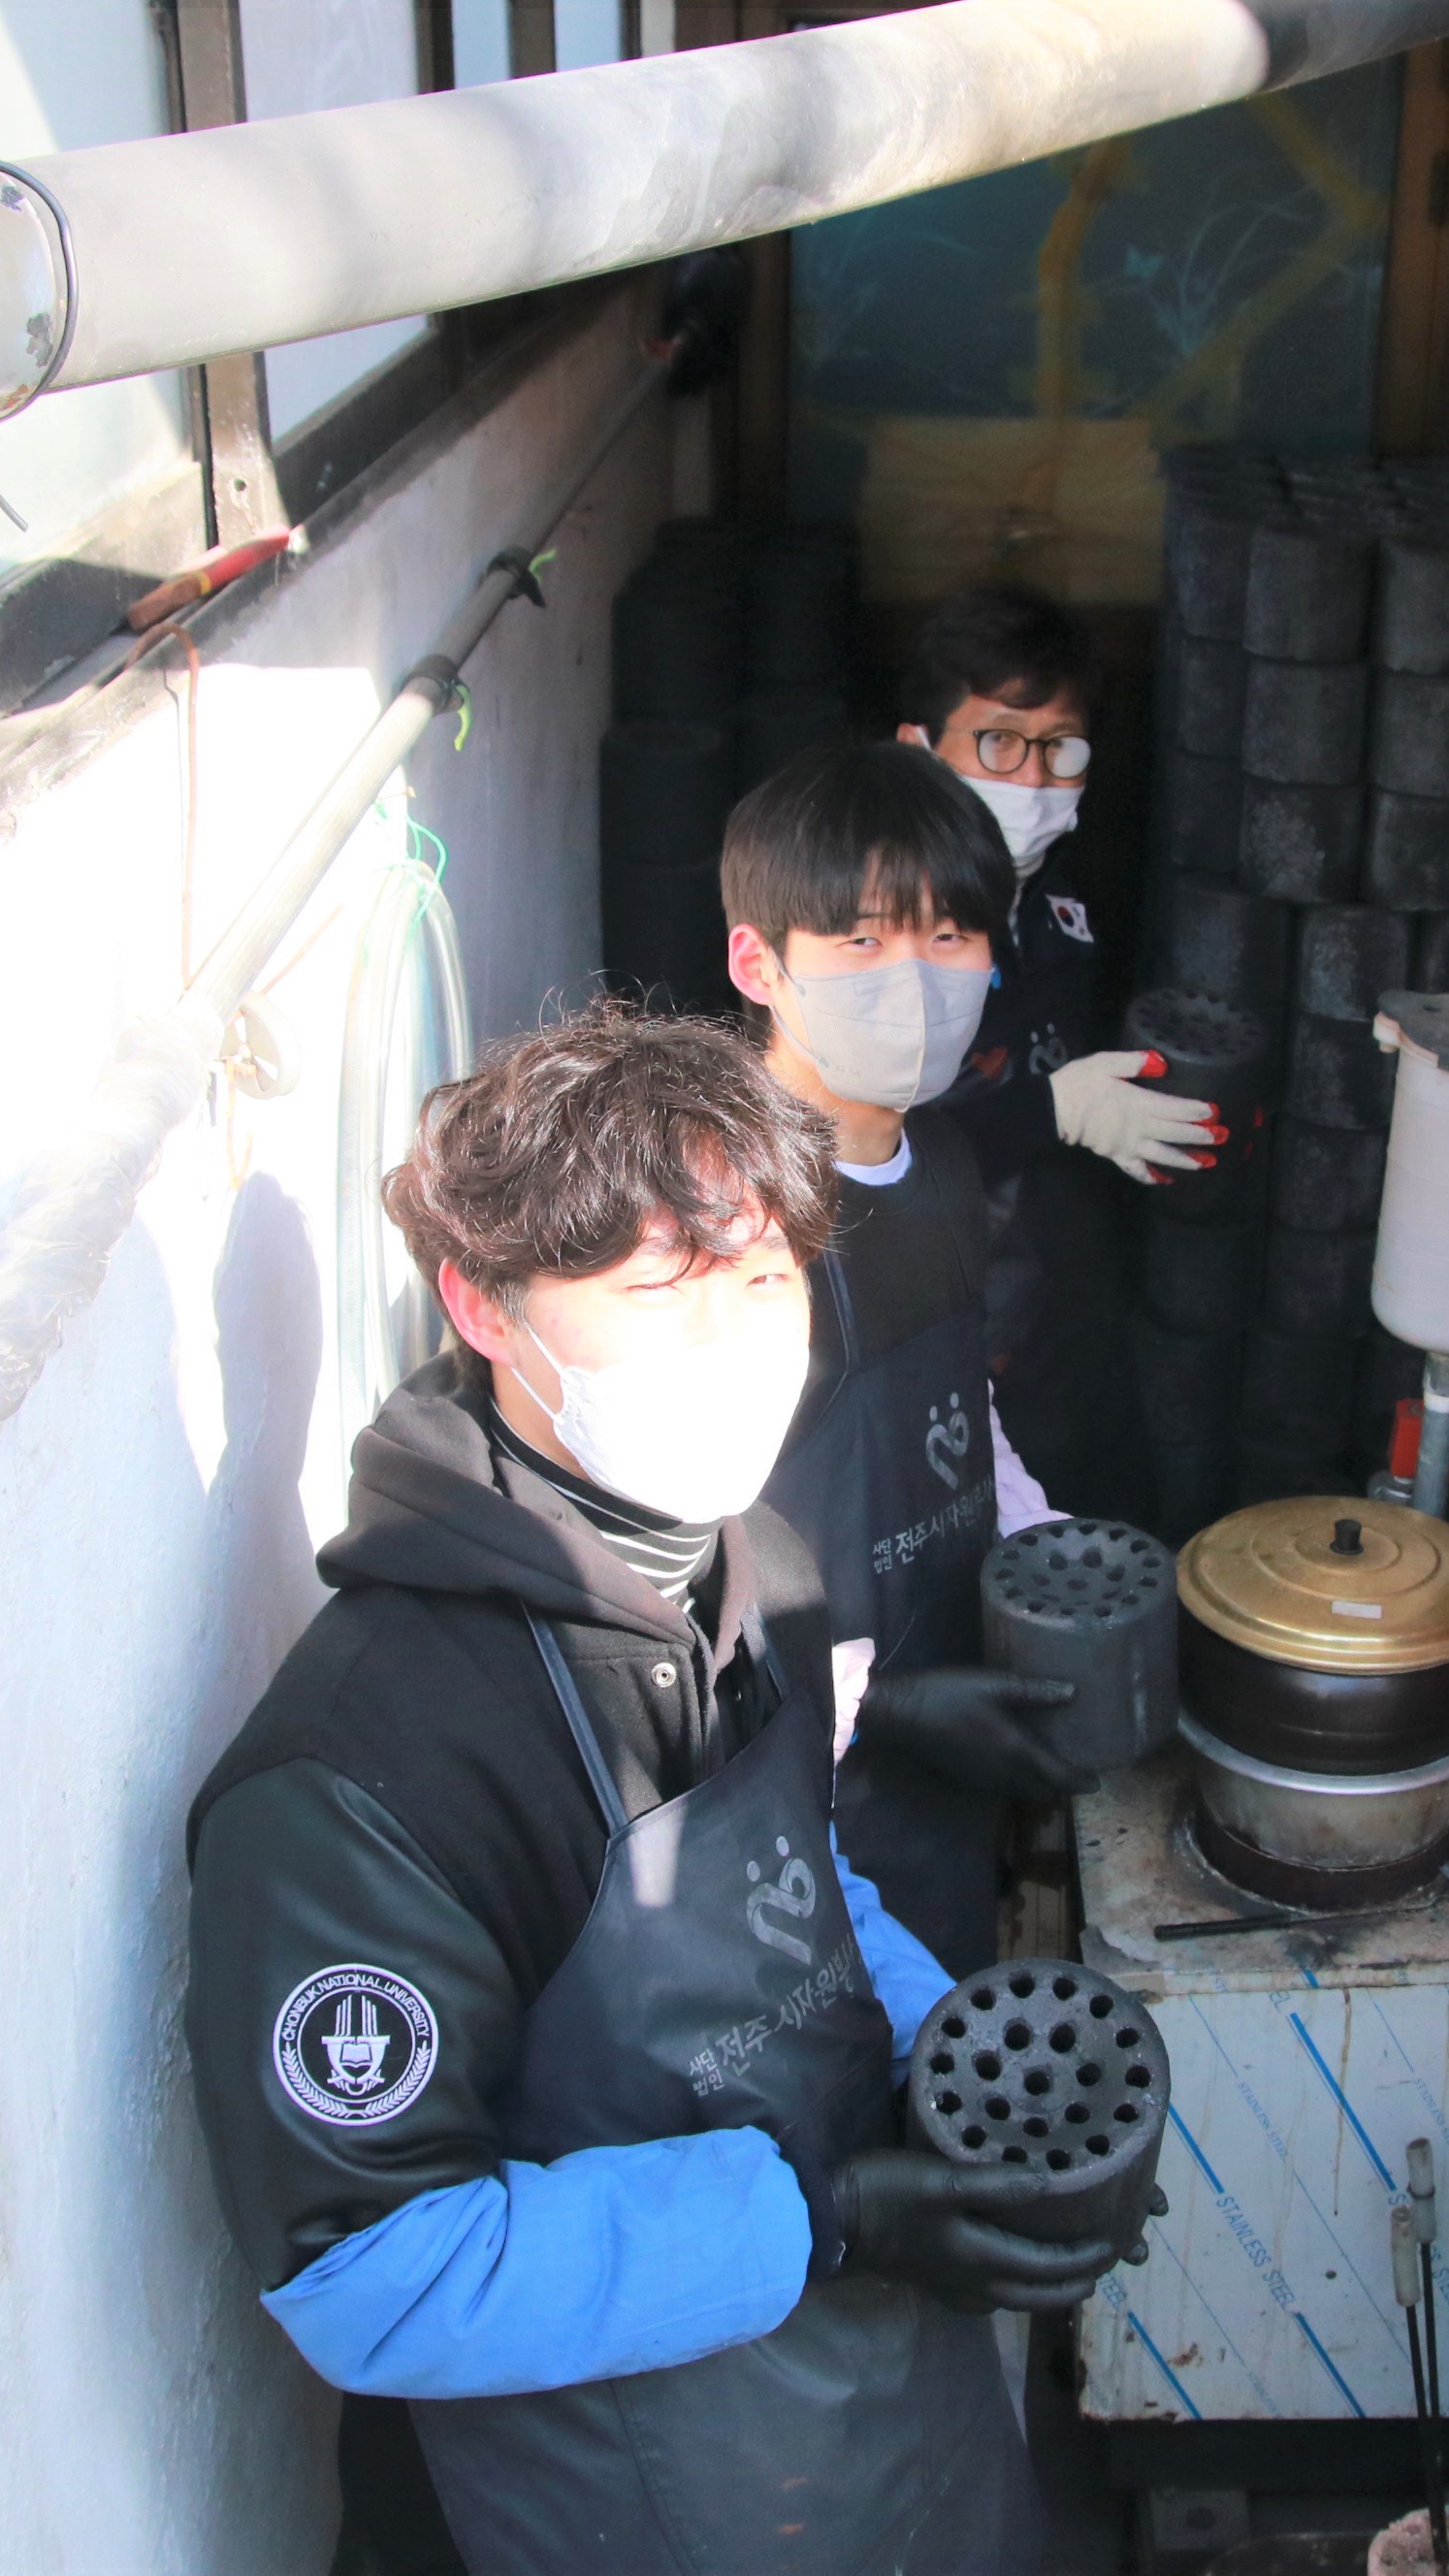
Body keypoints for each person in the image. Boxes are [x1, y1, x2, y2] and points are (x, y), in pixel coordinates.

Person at [183, 1003, 1139, 2576]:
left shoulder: (761, 1568)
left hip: (868, 2438)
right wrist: (826, 2219)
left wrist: (951, 2071)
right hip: (591, 2505)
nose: (733, 1351)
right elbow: (373, 2272)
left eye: (761, 1284)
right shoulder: (370, 1768)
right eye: (656, 1293)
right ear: (484, 1306)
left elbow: (806, 1875)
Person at [724, 741, 1095, 1977]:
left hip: (944, 1748)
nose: (916, 979)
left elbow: (954, 1399)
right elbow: (663, 1562)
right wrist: (876, 1708)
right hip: (787, 1805)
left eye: (949, 937)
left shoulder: (939, 1161)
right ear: (759, 964)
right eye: (862, 941)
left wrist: (1042, 1546)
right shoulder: (722, 1217)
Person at [896, 584, 1214, 1522]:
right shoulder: (877, 929)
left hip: (1064, 1306)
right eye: (998, 741)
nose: (1032, 780)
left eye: (1059, 748)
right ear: (919, 749)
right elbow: (863, 1152)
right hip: (946, 1331)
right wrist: (1055, 1111)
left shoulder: (1055, 894)